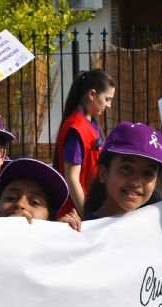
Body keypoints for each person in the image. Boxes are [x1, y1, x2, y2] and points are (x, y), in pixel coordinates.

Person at [83, 122, 162, 219]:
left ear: (155, 183)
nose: (136, 182)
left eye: (148, 173)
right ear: (103, 173)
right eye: (127, 168)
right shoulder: (84, 228)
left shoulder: (156, 222)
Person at [53, 70, 116, 218]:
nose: (109, 105)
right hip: (75, 216)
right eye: (107, 99)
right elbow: (72, 178)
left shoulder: (89, 124)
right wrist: (86, 216)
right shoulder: (76, 128)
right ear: (92, 94)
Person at [0, 158, 81, 230]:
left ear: (49, 218)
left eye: (34, 202)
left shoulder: (58, 242)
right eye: (11, 198)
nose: (20, 204)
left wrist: (64, 232)